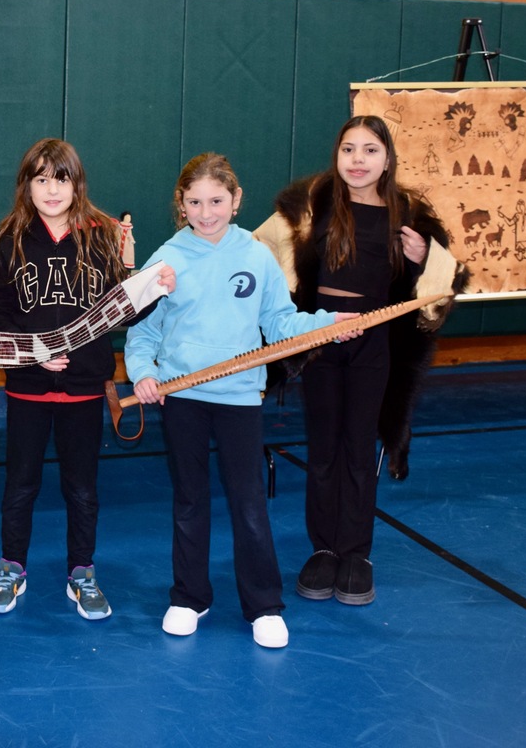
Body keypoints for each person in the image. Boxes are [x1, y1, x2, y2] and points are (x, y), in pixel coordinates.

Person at [125, 152, 355, 649]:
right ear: (180, 204)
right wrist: (143, 374)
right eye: (194, 202)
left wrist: (324, 326)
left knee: (249, 504)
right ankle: (189, 597)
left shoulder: (255, 255)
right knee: (189, 501)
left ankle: (264, 605)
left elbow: (280, 324)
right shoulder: (165, 260)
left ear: (236, 201)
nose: (205, 212)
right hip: (181, 397)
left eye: (216, 200)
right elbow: (142, 333)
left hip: (239, 400)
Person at [254, 115, 463, 608]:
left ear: (387, 158)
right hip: (321, 341)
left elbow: (440, 282)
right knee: (323, 448)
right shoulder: (315, 203)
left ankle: (356, 553)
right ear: (337, 154)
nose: (358, 160)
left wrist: (420, 258)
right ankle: (323, 548)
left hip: (374, 344)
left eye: (370, 150)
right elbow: (260, 248)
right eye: (349, 149)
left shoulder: (406, 212)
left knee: (357, 449)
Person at [0, 139, 173, 621]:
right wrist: (35, 352)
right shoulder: (10, 239)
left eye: (60, 178)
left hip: (85, 388)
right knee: (20, 484)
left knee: (82, 488)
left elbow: (123, 311)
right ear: (26, 185)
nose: (50, 189)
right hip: (27, 386)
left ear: (76, 184)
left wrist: (151, 285)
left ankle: (82, 572)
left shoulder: (102, 236)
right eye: (40, 179)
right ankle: (11, 568)